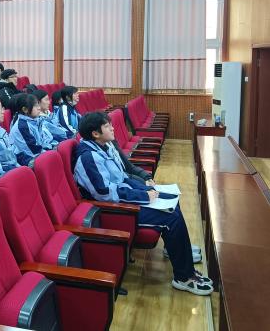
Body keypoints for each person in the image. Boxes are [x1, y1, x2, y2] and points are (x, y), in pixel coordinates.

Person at [73, 112, 212, 296]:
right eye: (107, 126)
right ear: (95, 133)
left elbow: (123, 177)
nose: (113, 128)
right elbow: (105, 194)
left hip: (125, 197)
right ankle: (184, 277)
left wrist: (147, 189)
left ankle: (176, 252)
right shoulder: (88, 157)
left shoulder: (105, 146)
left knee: (172, 200)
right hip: (114, 211)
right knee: (171, 217)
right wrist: (144, 196)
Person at [9, 93, 53, 166]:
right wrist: (51, 152)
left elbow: (41, 141)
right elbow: (34, 151)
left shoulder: (34, 120)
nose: (39, 108)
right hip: (28, 160)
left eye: (38, 104)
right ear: (25, 109)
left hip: (36, 153)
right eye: (35, 106)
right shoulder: (23, 126)